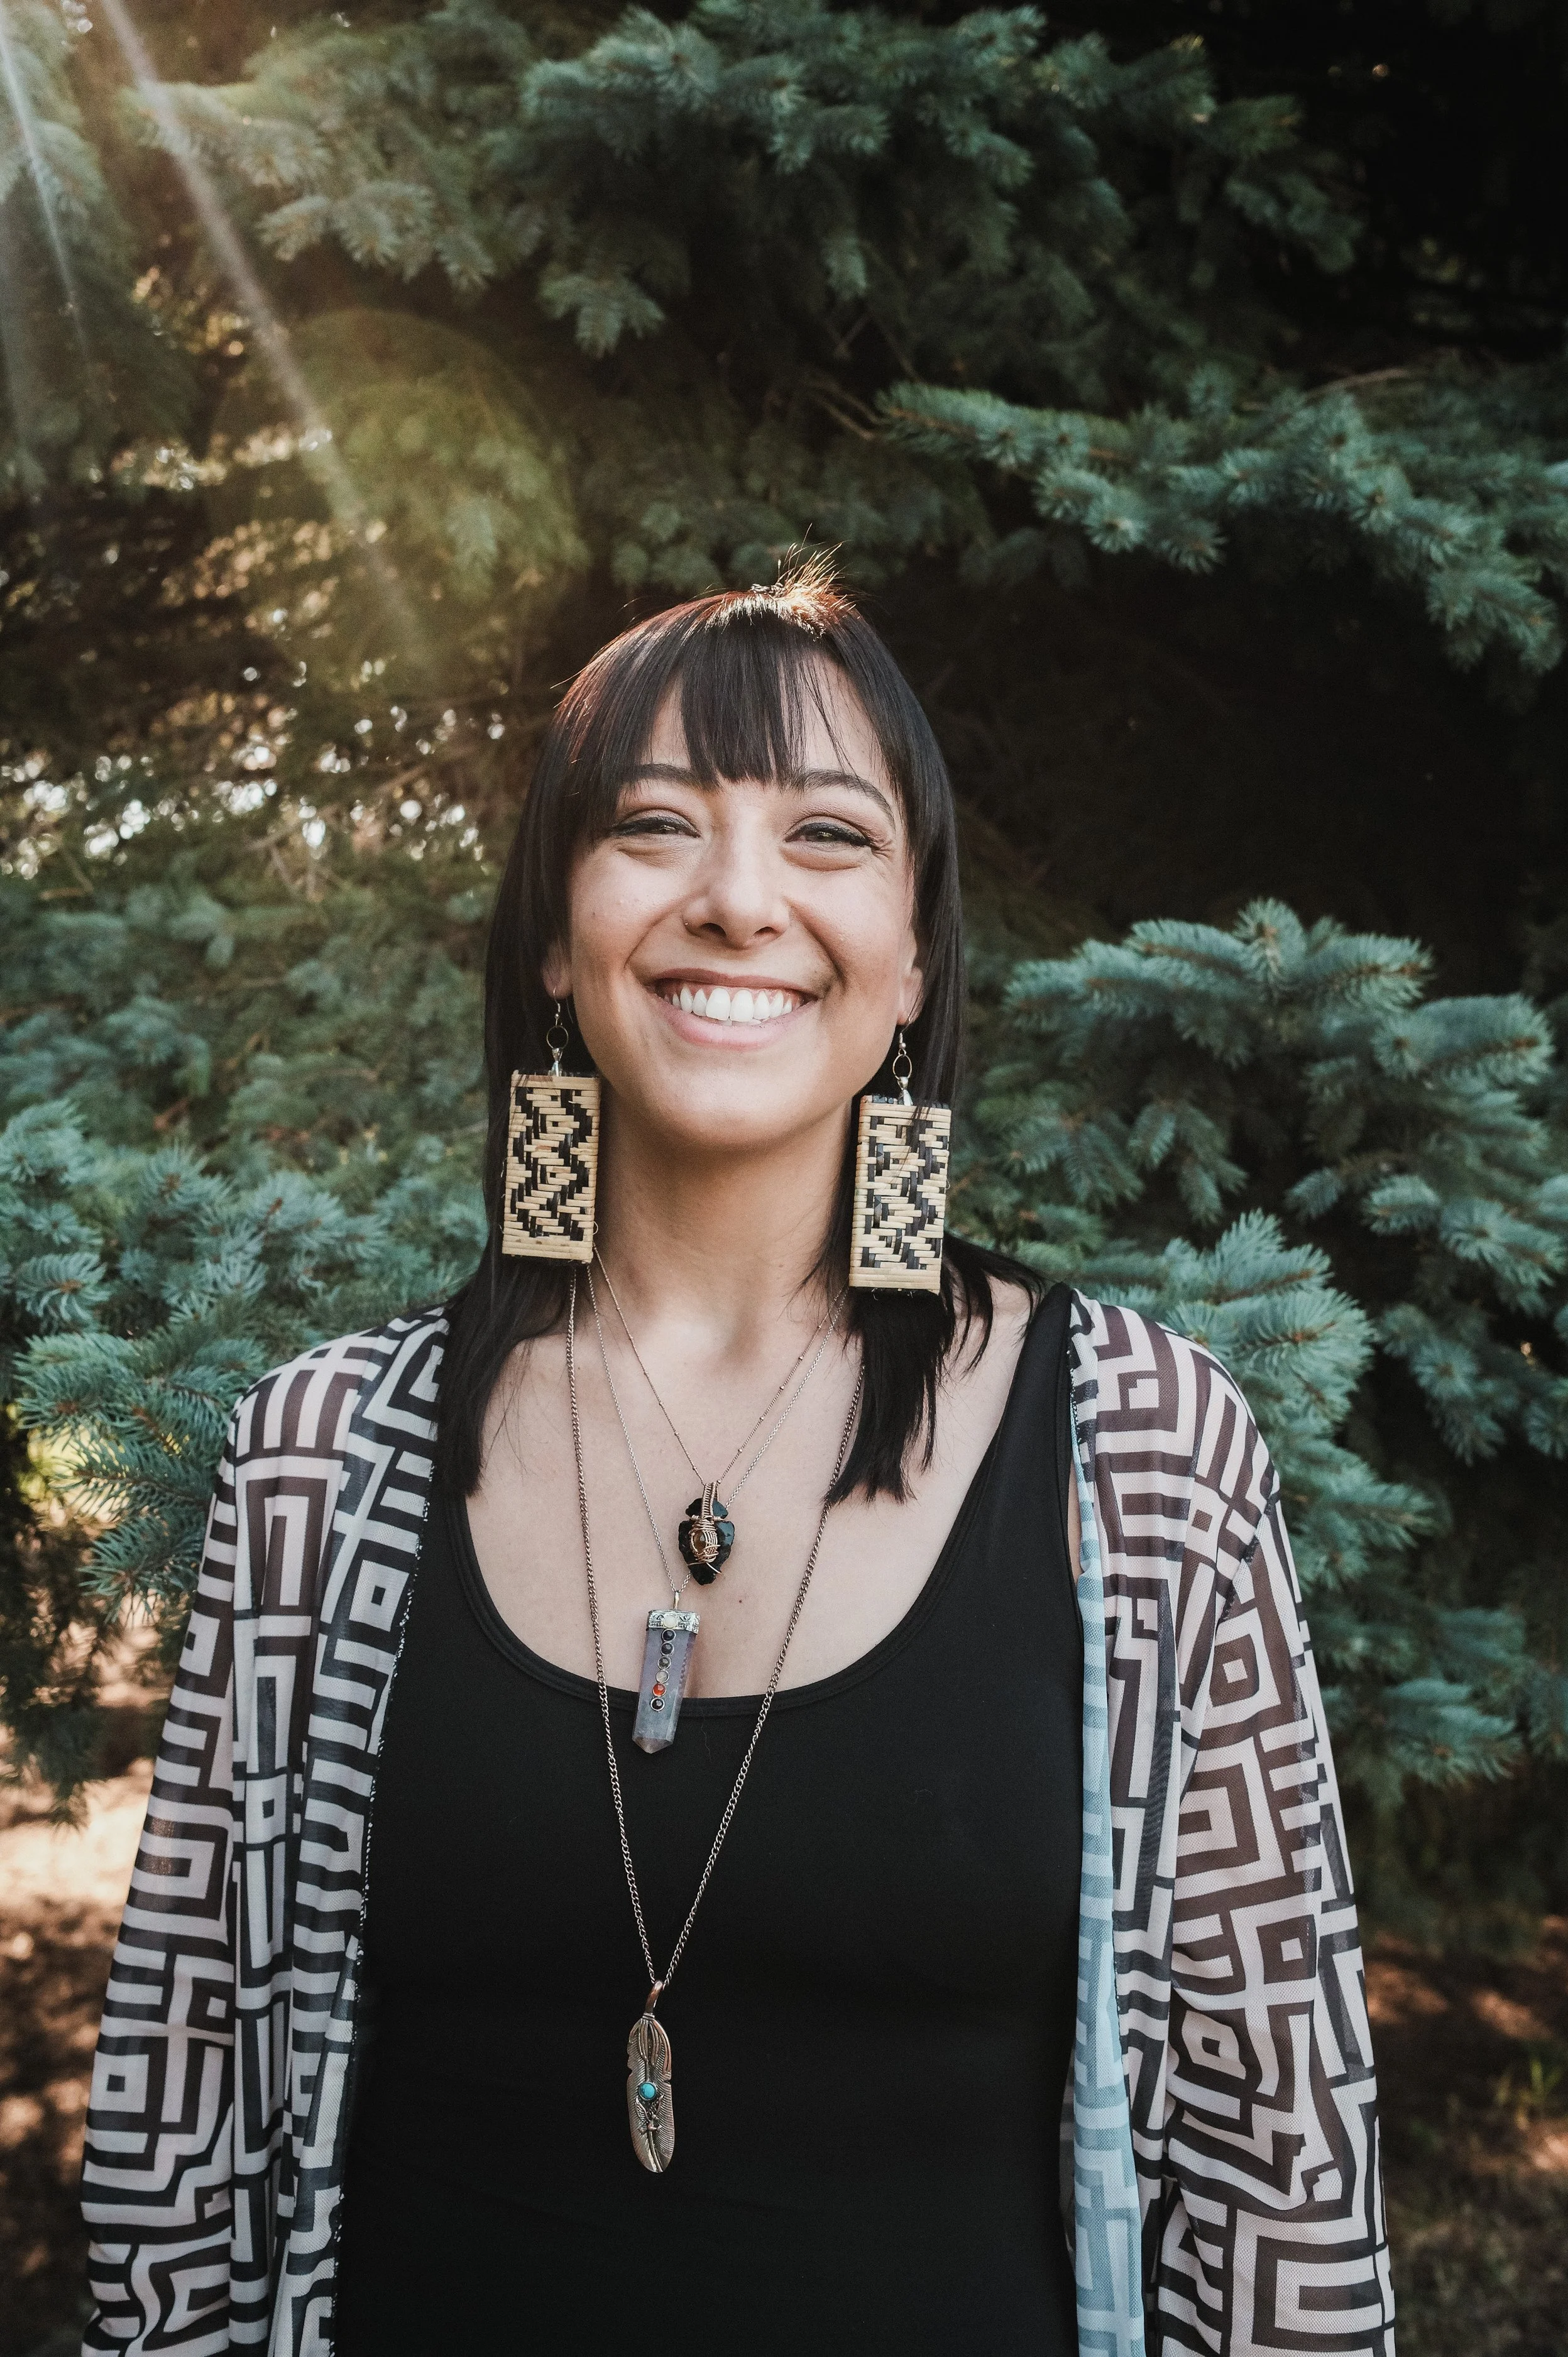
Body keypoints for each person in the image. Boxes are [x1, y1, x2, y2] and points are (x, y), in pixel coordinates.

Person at [80, 571, 1393, 2357]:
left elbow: (1278, 2163)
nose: (738, 899)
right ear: (557, 932)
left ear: (915, 949)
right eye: (654, 825)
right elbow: (190, 2126)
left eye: (828, 833)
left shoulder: (1139, 1455)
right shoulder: (323, 1460)